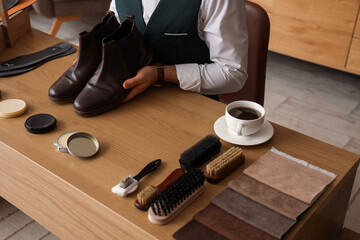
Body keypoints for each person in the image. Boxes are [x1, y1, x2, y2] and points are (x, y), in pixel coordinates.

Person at [109, 0, 248, 103]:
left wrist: (160, 73)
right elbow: (115, 25)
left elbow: (233, 73)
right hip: (132, 101)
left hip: (192, 107)